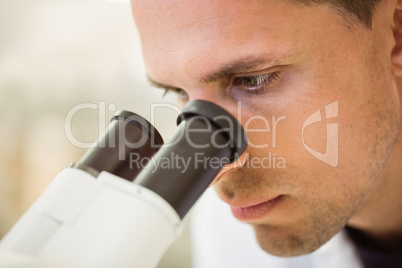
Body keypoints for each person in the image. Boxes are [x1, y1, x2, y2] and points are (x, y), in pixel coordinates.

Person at [130, 0, 402, 267]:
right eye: (180, 93)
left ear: (396, 33)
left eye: (252, 79)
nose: (215, 172)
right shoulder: (230, 231)